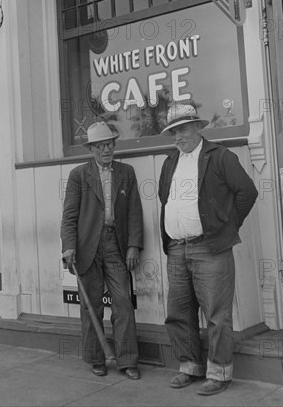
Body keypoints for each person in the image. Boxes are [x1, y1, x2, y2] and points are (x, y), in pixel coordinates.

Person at [158, 102, 258, 396]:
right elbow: (165, 201)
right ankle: (189, 366)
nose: (179, 136)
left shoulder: (221, 156)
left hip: (210, 248)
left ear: (198, 127)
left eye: (184, 128)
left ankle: (219, 372)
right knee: (179, 311)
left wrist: (226, 226)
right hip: (177, 248)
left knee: (216, 314)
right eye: (174, 131)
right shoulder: (170, 161)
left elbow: (247, 192)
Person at [61, 121, 144, 379]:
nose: (106, 150)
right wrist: (69, 247)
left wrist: (133, 245)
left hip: (115, 245)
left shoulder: (126, 172)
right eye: (100, 146)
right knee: (90, 306)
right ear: (92, 149)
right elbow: (69, 216)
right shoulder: (78, 175)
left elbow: (134, 212)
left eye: (109, 144)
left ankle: (127, 361)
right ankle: (96, 359)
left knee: (123, 304)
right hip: (87, 247)